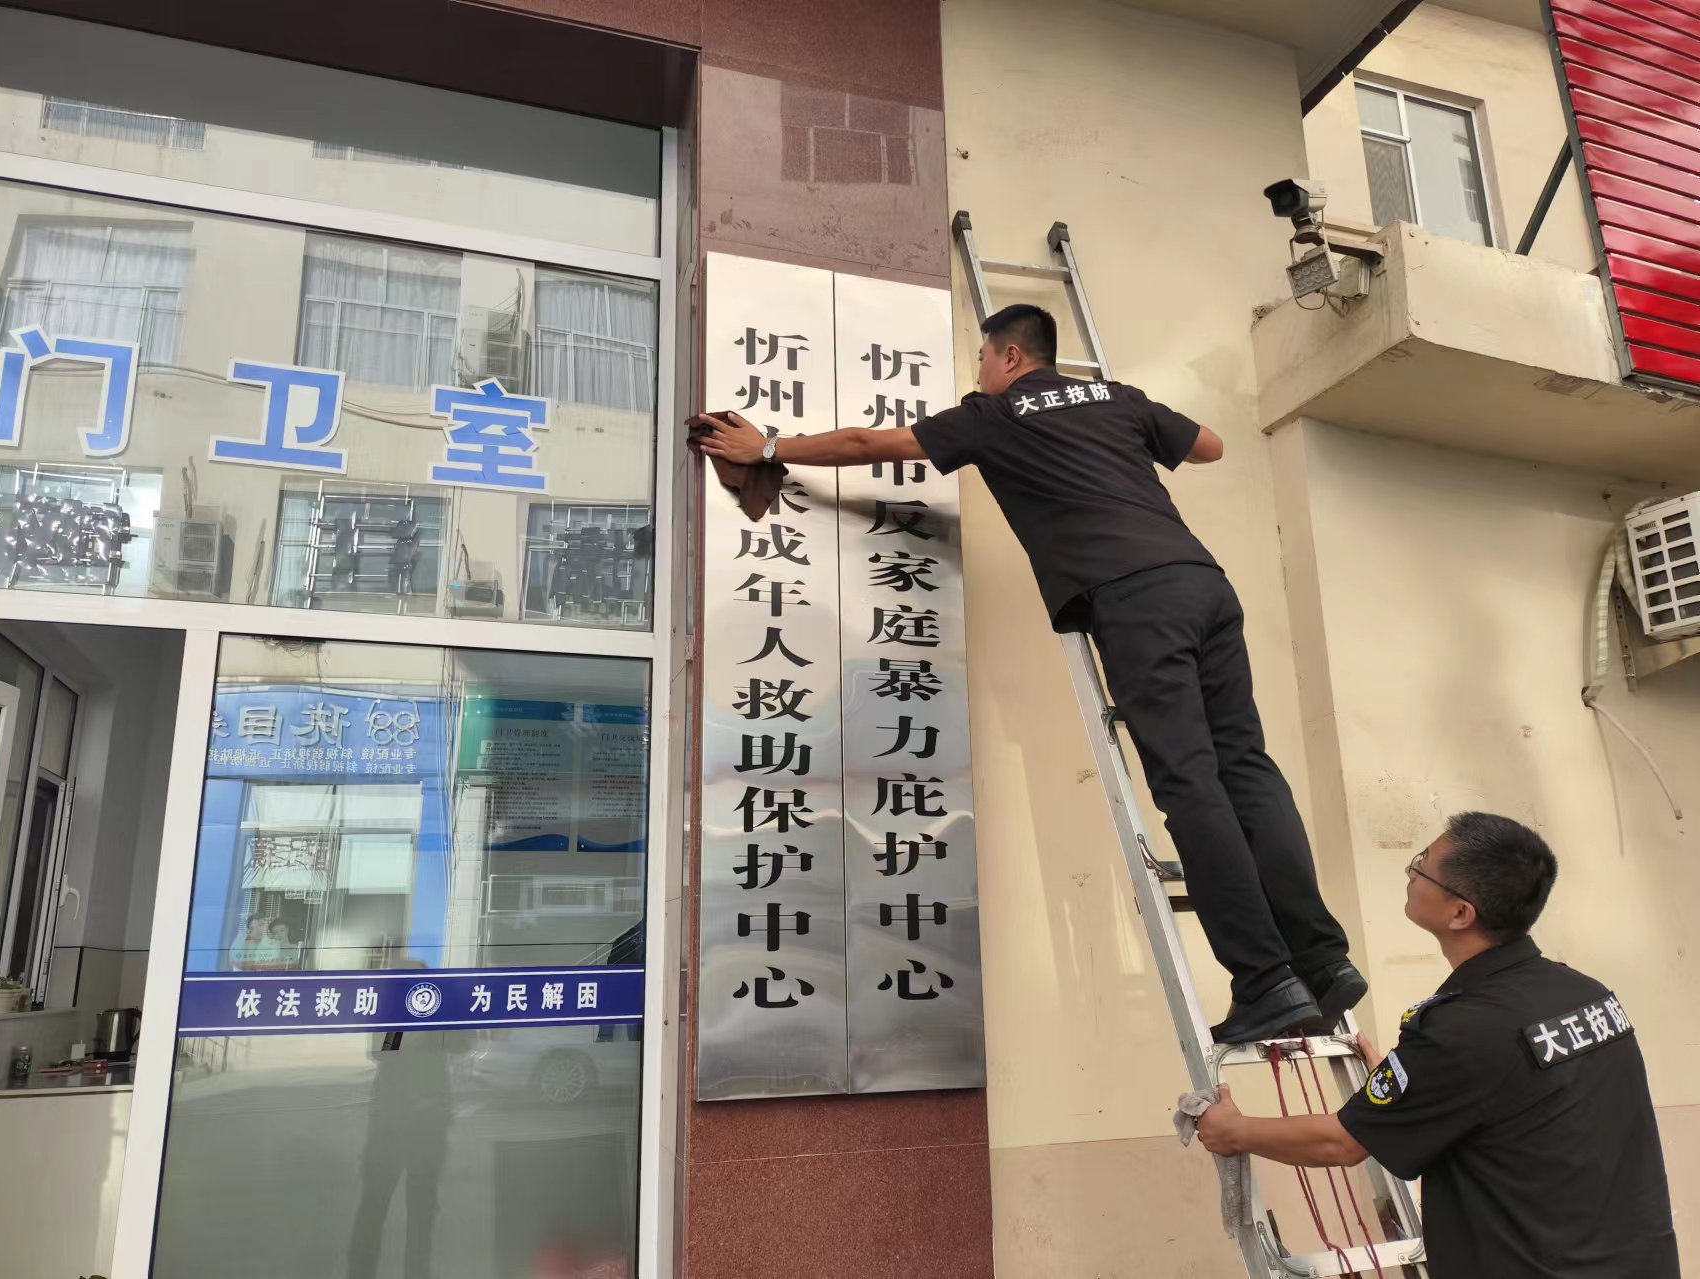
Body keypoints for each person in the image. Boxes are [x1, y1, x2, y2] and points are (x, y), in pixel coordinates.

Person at [694, 302, 1358, 1042]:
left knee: (1190, 783)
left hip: (1135, 599)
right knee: (1247, 768)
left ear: (1009, 356)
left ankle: (1265, 979)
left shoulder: (996, 413)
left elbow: (868, 442)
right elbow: (1211, 446)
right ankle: (1323, 959)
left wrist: (769, 444)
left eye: (982, 357)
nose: (978, 371)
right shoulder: (1116, 396)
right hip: (1205, 585)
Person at [1195, 812, 1679, 1278]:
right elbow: (1518, 1100)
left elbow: (1341, 1142)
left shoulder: (1462, 1031)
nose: (1410, 874)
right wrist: (1414, 1084)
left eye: (1421, 866)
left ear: (1460, 913)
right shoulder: (1586, 994)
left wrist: (1235, 1131)